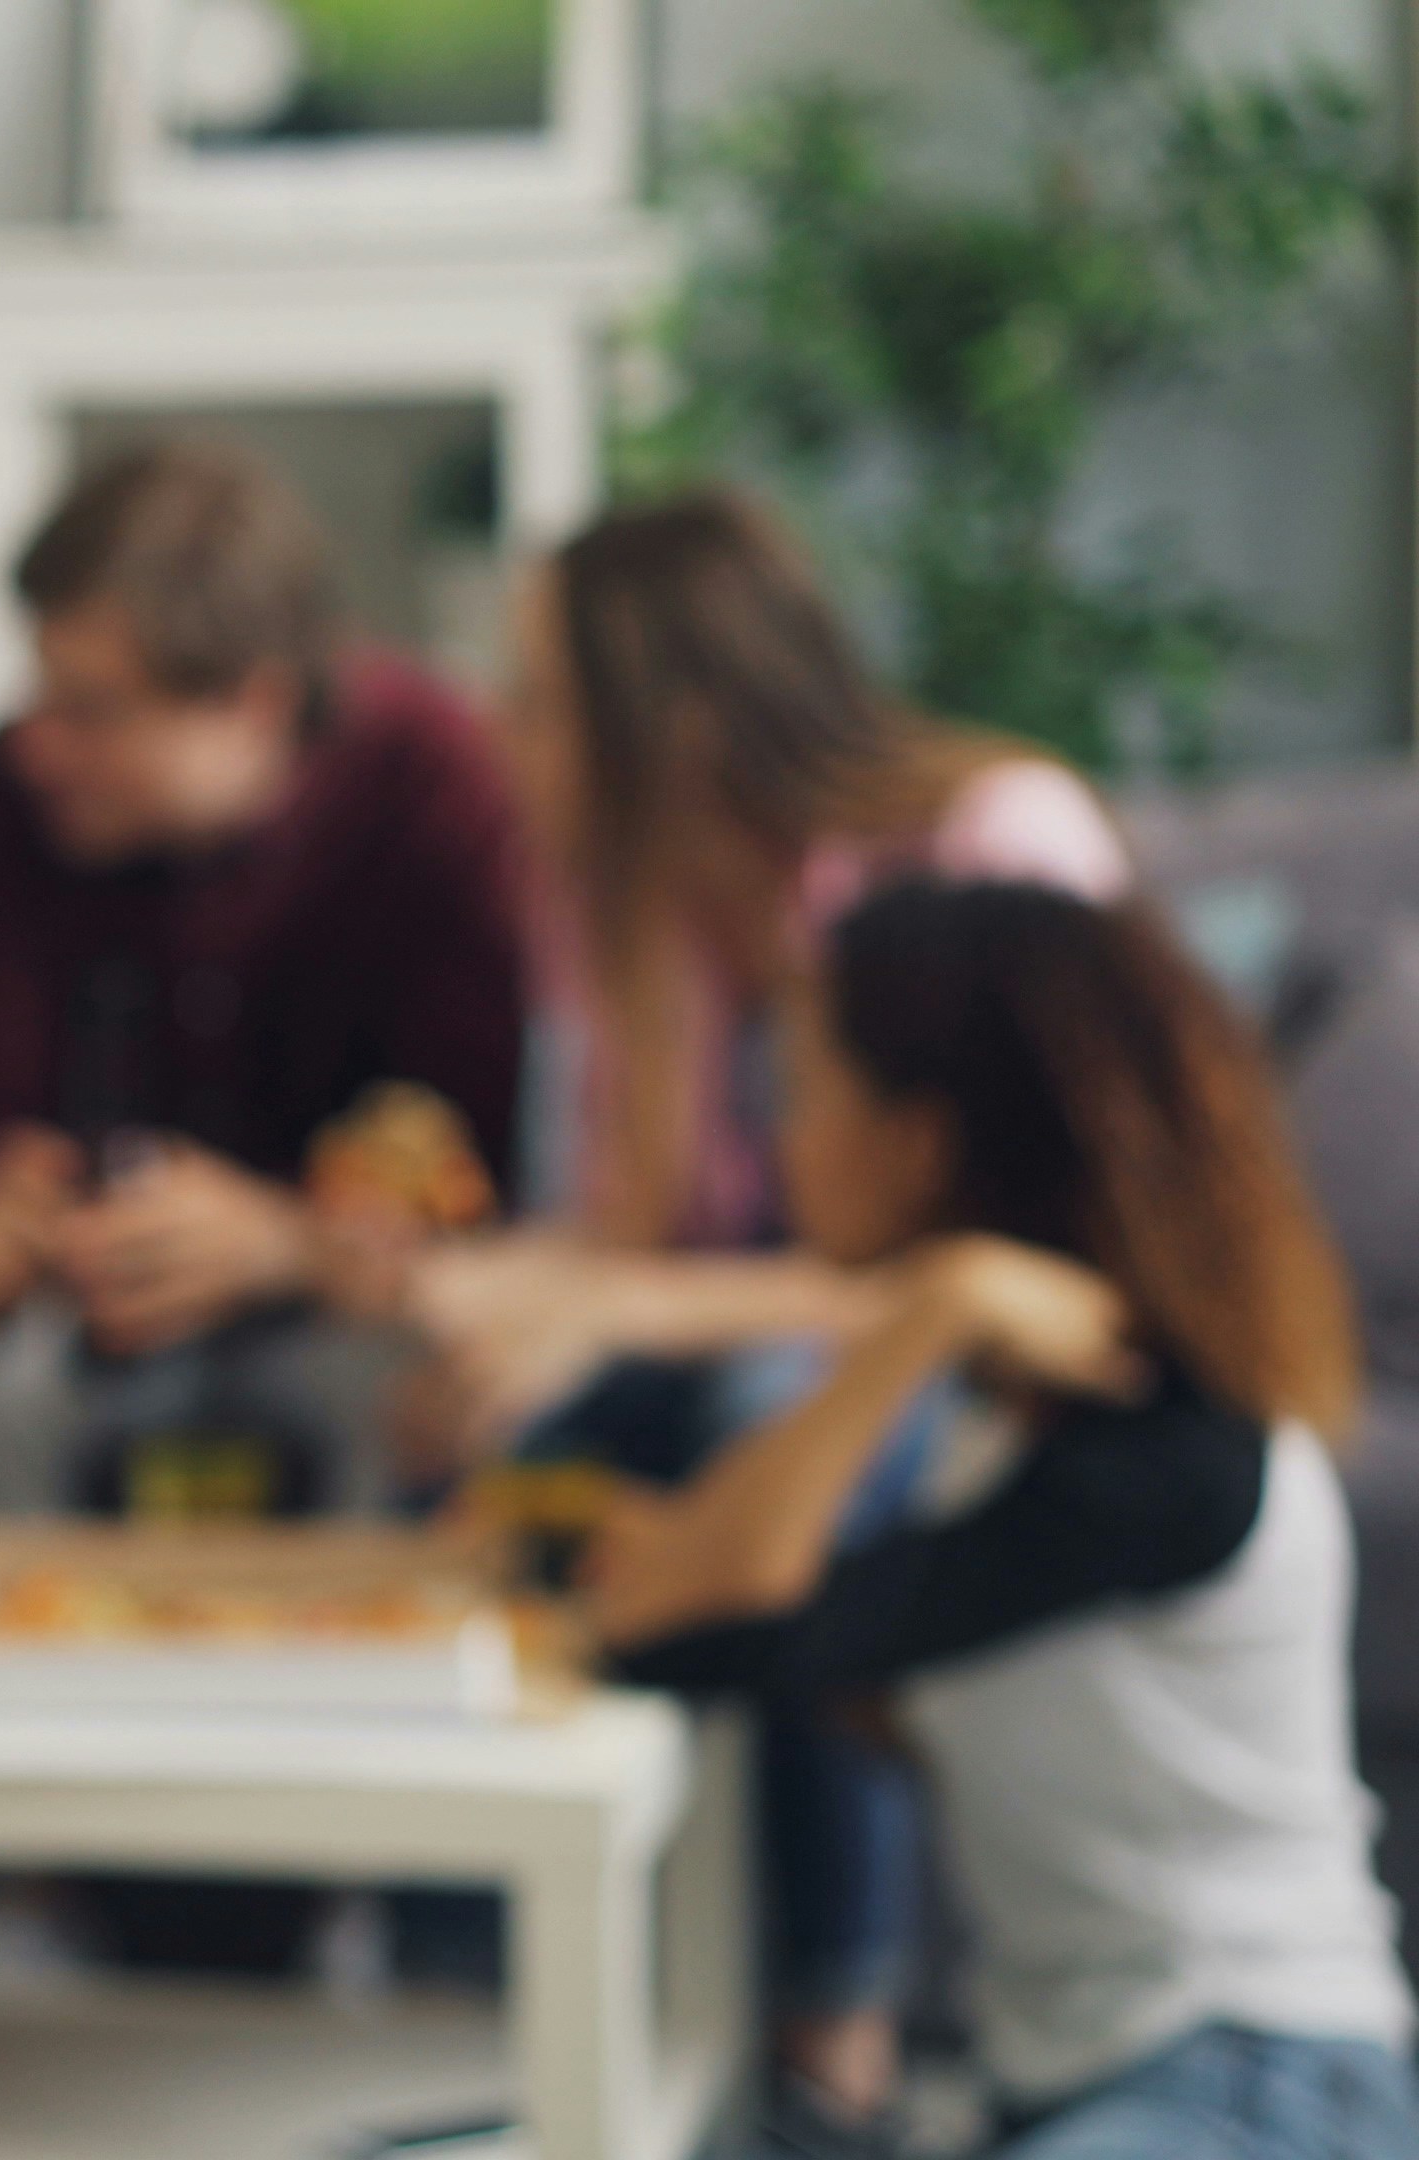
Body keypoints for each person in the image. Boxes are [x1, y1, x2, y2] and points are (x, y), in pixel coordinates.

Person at [402, 490, 1133, 2129]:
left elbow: (1015, 1267)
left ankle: (832, 2047)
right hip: (762, 1322)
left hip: (981, 1347)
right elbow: (636, 1235)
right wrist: (497, 1308)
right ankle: (486, 2014)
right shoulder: (620, 904)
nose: (503, 735)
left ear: (670, 721)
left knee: (769, 1413)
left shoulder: (994, 845)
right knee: (498, 1443)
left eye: (539, 698)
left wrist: (631, 1307)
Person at [589, 879, 1415, 2159]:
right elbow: (672, 1627)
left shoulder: (1164, 1451)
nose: (778, 1139)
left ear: (920, 1141)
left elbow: (716, 1604)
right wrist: (928, 1325)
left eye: (804, 1092)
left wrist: (929, 1305)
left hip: (1267, 2087)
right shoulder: (994, 1428)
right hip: (1092, 2096)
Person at [0, 439, 530, 1517]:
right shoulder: (13, 799)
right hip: (84, 1334)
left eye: (93, 709)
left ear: (255, 703)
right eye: (40, 693)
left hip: (340, 1324)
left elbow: (486, 1160)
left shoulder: (434, 786)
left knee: (419, 1386)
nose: (40, 745)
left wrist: (287, 1238)